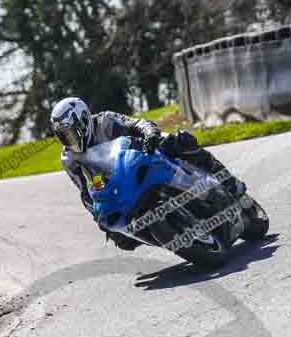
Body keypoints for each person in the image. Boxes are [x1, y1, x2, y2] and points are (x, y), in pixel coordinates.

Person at [50, 97, 245, 250]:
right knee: (123, 241)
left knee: (181, 141)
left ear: (84, 120)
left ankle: (226, 180)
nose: (70, 140)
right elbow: (84, 191)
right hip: (118, 186)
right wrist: (98, 216)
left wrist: (150, 134)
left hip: (144, 154)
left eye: (71, 133)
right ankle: (166, 231)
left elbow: (137, 124)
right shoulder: (69, 159)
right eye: (64, 136)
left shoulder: (105, 120)